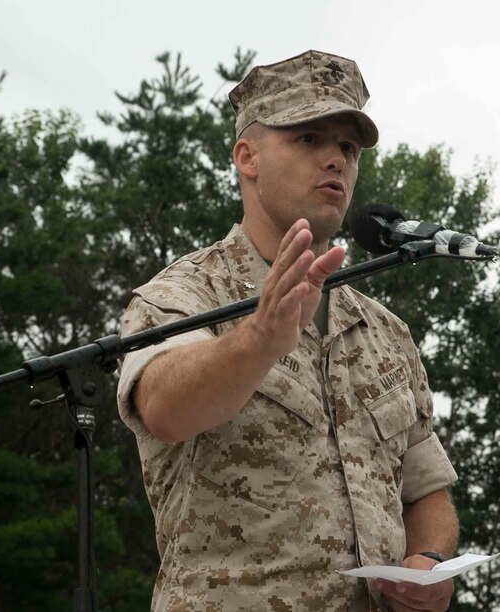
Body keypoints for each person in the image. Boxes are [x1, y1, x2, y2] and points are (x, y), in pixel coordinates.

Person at [116, 50, 459, 612]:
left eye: (348, 147)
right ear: (247, 157)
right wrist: (259, 340)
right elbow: (163, 410)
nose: (335, 160)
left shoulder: (385, 332)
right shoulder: (184, 295)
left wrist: (429, 562)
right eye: (309, 139)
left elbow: (425, 487)